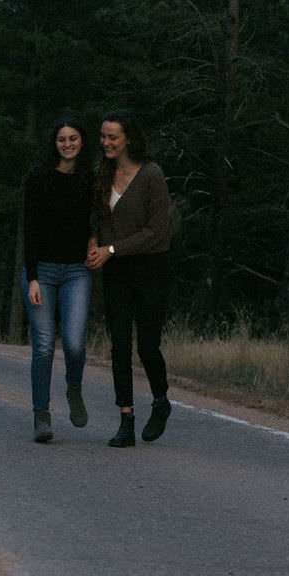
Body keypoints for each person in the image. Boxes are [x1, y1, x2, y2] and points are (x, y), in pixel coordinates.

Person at [85, 110, 177, 447]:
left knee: (147, 346)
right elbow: (92, 218)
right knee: (119, 345)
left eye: (112, 137)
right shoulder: (101, 174)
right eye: (103, 136)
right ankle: (126, 419)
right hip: (116, 272)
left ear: (129, 139)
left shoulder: (151, 174)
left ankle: (160, 402)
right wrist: (94, 243)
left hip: (151, 268)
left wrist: (112, 248)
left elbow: (158, 230)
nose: (106, 142)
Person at [22, 118, 95, 443]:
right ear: (54, 143)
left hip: (77, 271)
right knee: (43, 347)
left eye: (73, 138)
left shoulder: (90, 179)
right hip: (43, 272)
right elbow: (30, 230)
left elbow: (97, 218)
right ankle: (42, 417)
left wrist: (95, 240)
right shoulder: (39, 179)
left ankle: (74, 389)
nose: (67, 144)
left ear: (82, 142)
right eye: (62, 139)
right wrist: (33, 277)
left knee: (75, 344)